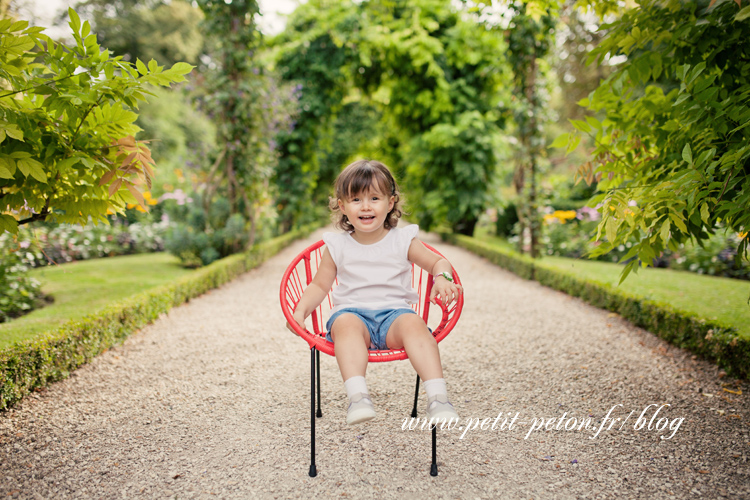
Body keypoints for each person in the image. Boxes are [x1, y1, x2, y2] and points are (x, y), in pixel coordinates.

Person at [287, 159, 462, 425]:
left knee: (415, 323)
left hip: (395, 318)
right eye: (356, 199)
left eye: (375, 198)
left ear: (390, 203)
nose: (366, 206)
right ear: (342, 206)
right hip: (353, 316)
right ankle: (358, 398)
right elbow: (319, 286)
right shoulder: (337, 246)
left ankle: (438, 399)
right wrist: (299, 312)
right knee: (344, 324)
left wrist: (443, 277)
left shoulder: (403, 240)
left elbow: (438, 262)